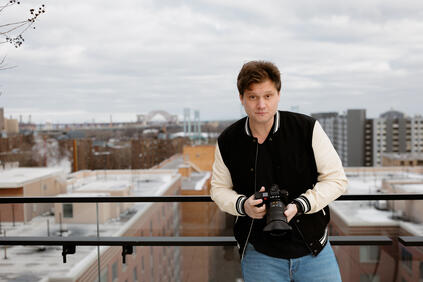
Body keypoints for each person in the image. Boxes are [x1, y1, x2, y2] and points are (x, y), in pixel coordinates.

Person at [210, 60, 348, 282]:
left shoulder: (307, 129)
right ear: (242, 99)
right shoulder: (228, 140)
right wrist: (244, 206)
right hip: (259, 253)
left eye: (268, 96)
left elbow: (337, 180)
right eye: (253, 97)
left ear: (279, 95)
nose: (261, 104)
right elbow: (218, 189)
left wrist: (301, 205)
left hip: (314, 250)